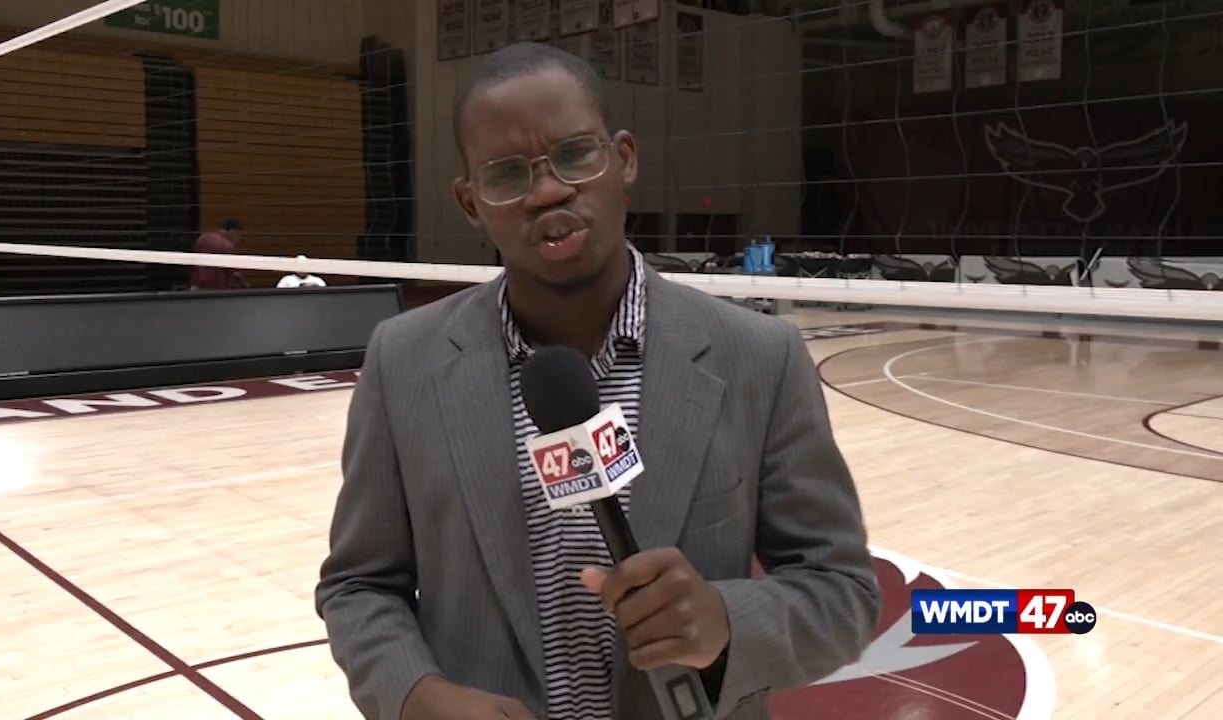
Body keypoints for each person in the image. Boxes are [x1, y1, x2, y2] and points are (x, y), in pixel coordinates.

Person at [315, 42, 880, 720]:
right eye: (506, 175)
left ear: (625, 159)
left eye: (576, 155)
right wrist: (415, 696)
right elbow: (359, 585)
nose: (548, 191)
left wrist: (726, 620)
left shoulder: (760, 357)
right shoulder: (402, 361)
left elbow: (843, 594)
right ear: (469, 203)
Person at [189, 219, 248, 290]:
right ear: (233, 231)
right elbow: (234, 272)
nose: (238, 239)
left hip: (197, 283)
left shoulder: (203, 237)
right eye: (239, 235)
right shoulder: (228, 245)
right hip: (216, 286)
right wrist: (245, 284)